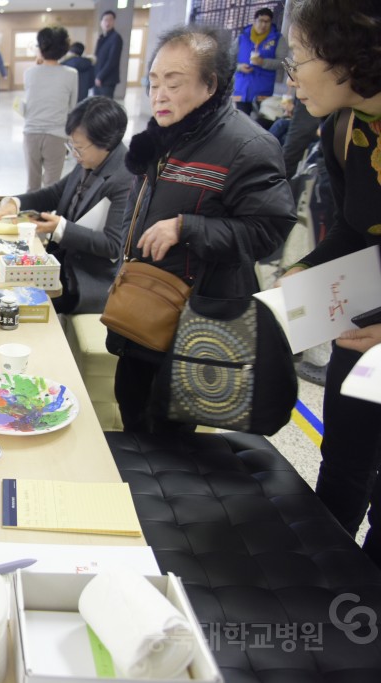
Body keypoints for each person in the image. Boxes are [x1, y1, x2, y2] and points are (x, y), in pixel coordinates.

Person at [106, 23, 295, 434]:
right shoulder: (161, 137)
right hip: (144, 307)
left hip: (195, 318)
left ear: (211, 86)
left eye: (173, 83)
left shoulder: (248, 146)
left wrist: (187, 227)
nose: (159, 94)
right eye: (154, 82)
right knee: (132, 408)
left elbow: (269, 231)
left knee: (170, 431)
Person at [279, 0, 381, 566]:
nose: (291, 78)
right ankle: (328, 590)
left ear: (348, 52)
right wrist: (306, 270)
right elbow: (352, 227)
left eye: (298, 58)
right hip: (364, 320)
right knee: (343, 462)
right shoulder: (344, 127)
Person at [0, 97, 131, 315]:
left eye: (79, 147)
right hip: (60, 264)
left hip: (84, 278)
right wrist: (15, 203)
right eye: (71, 146)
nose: (74, 153)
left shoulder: (125, 178)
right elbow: (55, 193)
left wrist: (60, 228)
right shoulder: (91, 160)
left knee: (10, 303)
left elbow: (113, 245)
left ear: (107, 143)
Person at [22, 26, 77, 191]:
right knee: (52, 187)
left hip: (31, 133)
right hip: (57, 135)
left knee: (32, 186)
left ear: (41, 48)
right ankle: (48, 216)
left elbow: (29, 104)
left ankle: (29, 216)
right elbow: (72, 107)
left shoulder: (29, 73)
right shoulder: (71, 74)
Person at [233, 7, 287, 116]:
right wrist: (239, 67)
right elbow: (229, 59)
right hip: (242, 89)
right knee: (241, 122)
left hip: (263, 91)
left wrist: (263, 62)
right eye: (261, 21)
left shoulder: (277, 39)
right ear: (254, 20)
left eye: (267, 22)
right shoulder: (242, 37)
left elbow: (282, 62)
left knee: (259, 125)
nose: (263, 25)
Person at [94, 10, 123, 98]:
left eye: (110, 20)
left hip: (107, 80)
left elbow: (112, 61)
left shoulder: (116, 38)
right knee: (96, 106)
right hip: (98, 78)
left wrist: (100, 76)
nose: (107, 22)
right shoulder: (102, 38)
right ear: (101, 23)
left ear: (114, 22)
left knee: (105, 107)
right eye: (105, 20)